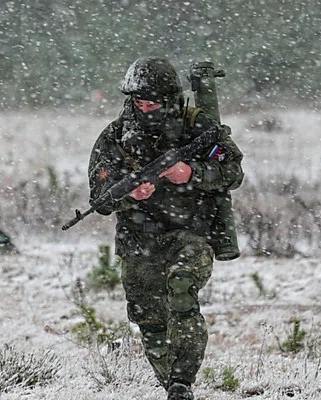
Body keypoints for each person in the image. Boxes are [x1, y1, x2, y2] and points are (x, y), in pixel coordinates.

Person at [88, 57, 244, 400]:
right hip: (138, 237)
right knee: (148, 314)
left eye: (152, 103)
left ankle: (183, 380)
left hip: (191, 231)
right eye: (138, 102)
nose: (145, 109)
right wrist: (130, 194)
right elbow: (100, 197)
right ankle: (170, 383)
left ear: (169, 98)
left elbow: (233, 170)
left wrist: (193, 173)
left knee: (182, 289)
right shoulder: (115, 136)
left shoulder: (196, 127)